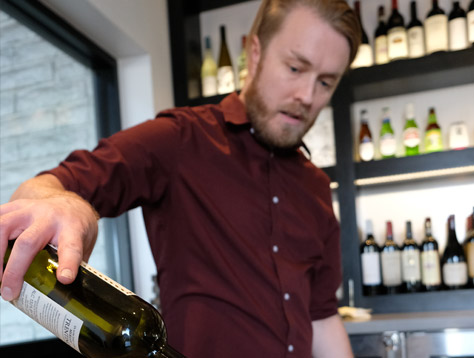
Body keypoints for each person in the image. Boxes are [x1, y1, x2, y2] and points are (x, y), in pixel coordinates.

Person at [0, 0, 360, 356]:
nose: (307, 96)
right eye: (296, 68)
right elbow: (46, 189)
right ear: (255, 52)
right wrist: (62, 205)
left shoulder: (316, 187)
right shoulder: (180, 139)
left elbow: (321, 317)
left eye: (326, 82)